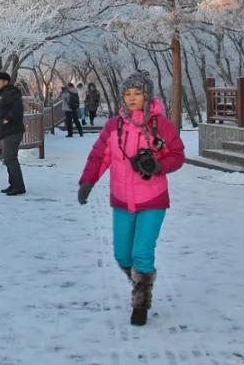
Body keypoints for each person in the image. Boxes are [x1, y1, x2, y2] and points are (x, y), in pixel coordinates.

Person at [77, 72, 185, 326]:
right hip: (122, 199)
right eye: (128, 94)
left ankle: (141, 300)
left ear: (147, 96)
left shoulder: (161, 125)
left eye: (137, 93)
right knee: (122, 255)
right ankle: (139, 280)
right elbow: (99, 156)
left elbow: (178, 155)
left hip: (153, 197)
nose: (132, 98)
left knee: (142, 252)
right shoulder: (113, 126)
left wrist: (158, 165)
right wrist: (87, 181)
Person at [0, 71, 26, 196]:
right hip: (7, 131)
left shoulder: (10, 92)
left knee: (10, 158)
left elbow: (17, 109)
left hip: (12, 130)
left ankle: (19, 186)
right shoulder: (3, 93)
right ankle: (13, 184)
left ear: (5, 81)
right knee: (8, 159)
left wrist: (7, 119)